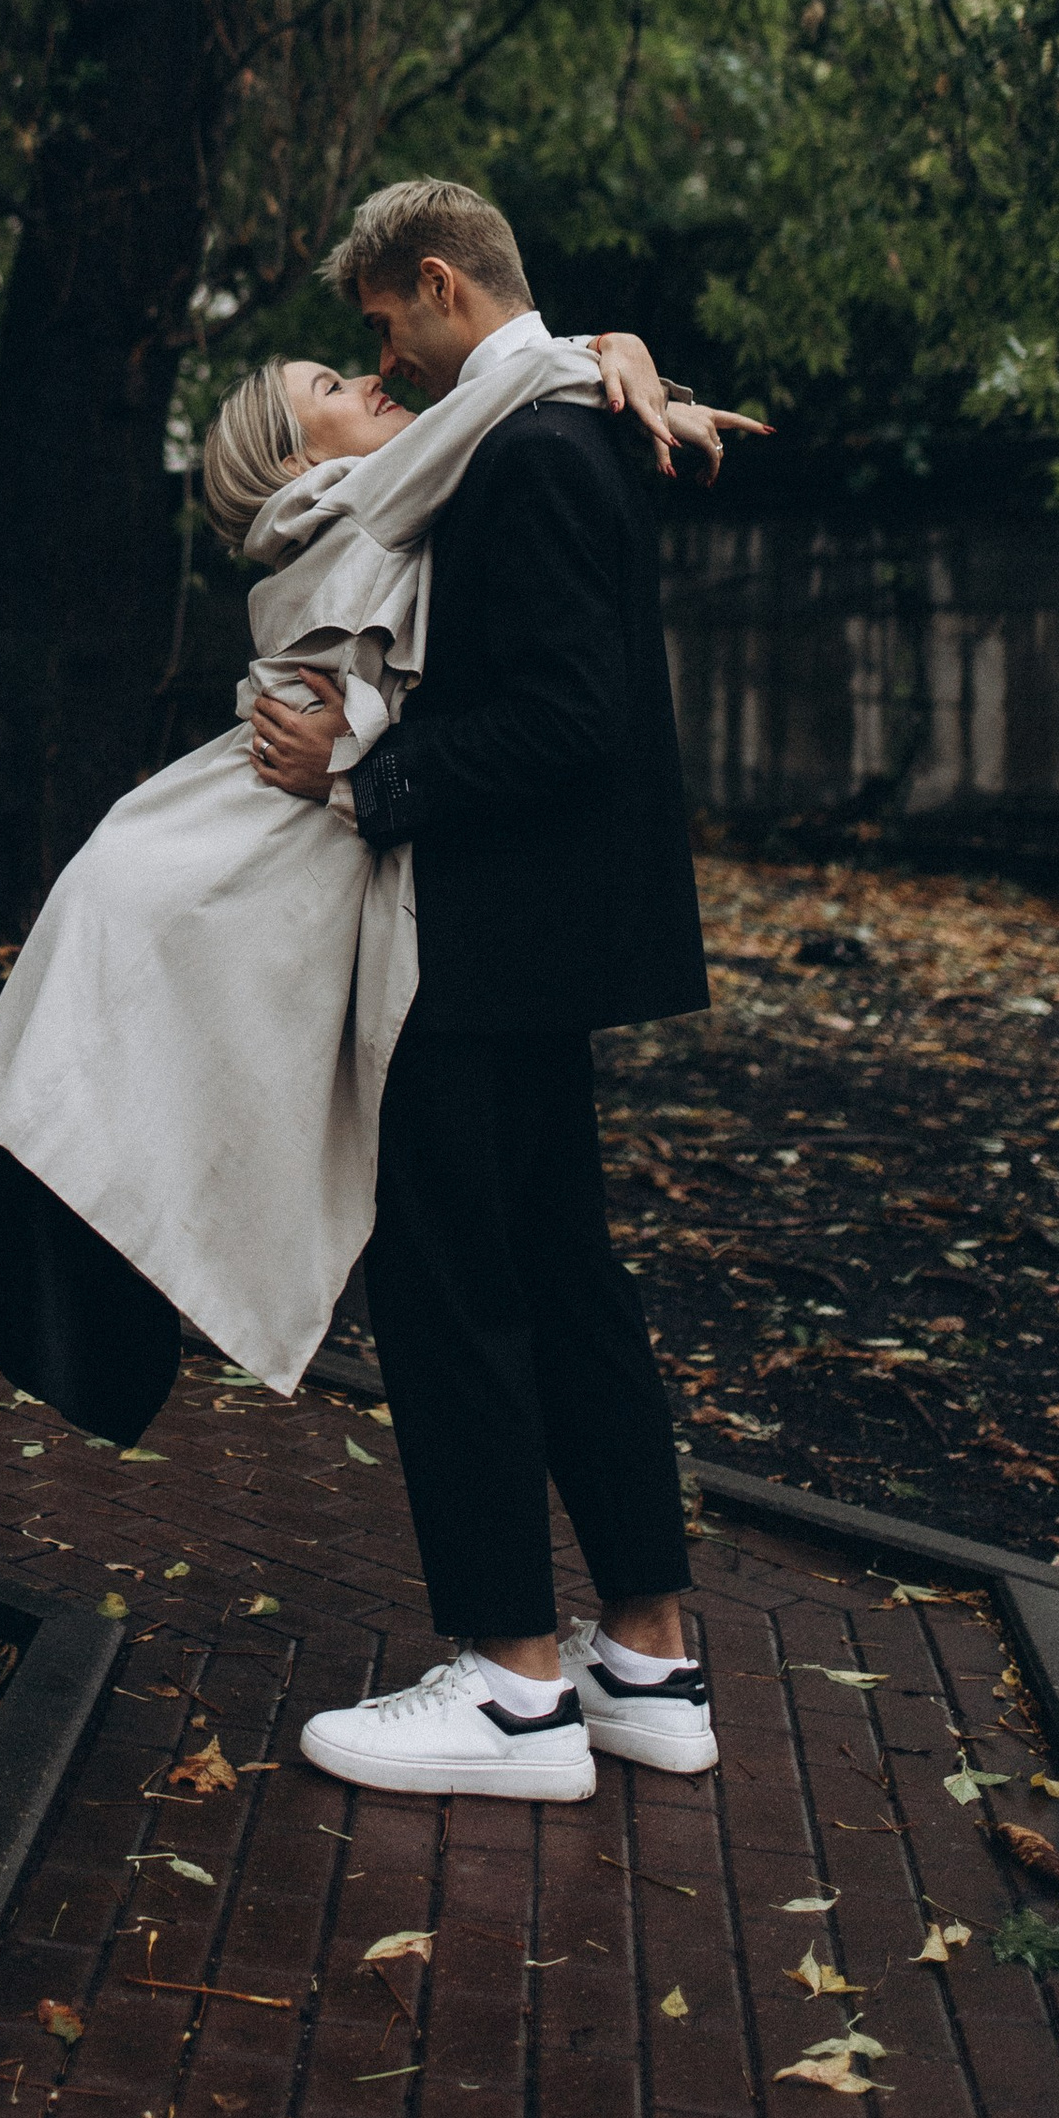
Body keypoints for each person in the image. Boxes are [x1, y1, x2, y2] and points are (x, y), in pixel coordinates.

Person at [0, 307, 744, 1657]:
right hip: (191, 916)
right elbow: (494, 403)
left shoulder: (363, 507)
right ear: (286, 458)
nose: (374, 381)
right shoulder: (356, 514)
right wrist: (600, 361)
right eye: (332, 382)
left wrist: (615, 353)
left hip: (206, 913)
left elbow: (502, 399)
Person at [249, 179, 747, 1804]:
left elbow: (563, 718)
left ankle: (516, 1684)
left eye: (383, 324)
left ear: (440, 285)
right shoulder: (568, 415)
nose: (378, 358)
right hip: (549, 947)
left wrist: (362, 765)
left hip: (484, 946)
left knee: (452, 1295)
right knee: (568, 1281)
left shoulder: (527, 450)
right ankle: (651, 1663)